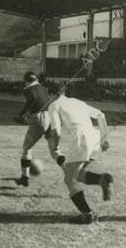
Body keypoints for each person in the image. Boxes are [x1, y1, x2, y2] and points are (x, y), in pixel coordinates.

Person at [48, 86, 113, 224]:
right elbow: (101, 115)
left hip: (81, 139)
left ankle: (87, 215)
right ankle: (102, 179)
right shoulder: (78, 102)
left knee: (70, 180)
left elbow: (56, 130)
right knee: (80, 175)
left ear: (50, 94)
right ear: (64, 92)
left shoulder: (54, 105)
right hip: (94, 137)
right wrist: (104, 138)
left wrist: (55, 147)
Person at [14, 72, 65, 187]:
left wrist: (22, 115)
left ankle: (24, 177)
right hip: (51, 117)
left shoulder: (28, 90)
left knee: (26, 149)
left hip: (40, 118)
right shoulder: (43, 88)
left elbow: (34, 98)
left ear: (27, 81)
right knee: (55, 150)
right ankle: (69, 171)